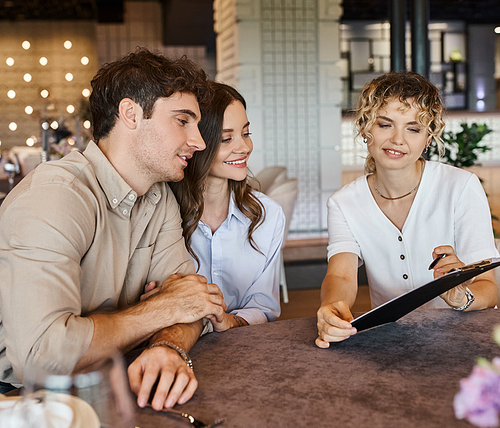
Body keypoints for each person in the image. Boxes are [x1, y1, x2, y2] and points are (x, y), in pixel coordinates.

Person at [0, 48, 227, 410]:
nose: (199, 142)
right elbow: (42, 358)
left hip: (116, 380)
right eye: (183, 121)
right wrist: (159, 312)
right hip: (25, 404)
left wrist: (167, 346)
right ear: (131, 114)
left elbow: (192, 303)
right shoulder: (56, 197)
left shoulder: (158, 196)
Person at [316, 71, 498, 348]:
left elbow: (488, 287)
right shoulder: (344, 202)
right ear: (366, 128)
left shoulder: (460, 187)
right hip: (393, 342)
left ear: (428, 138)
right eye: (385, 125)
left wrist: (463, 298)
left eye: (413, 129)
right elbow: (341, 274)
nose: (398, 139)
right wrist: (331, 308)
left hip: (465, 339)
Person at [168, 82, 285, 328]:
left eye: (245, 133)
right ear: (196, 143)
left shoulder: (268, 216)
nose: (244, 148)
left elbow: (264, 307)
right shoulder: (163, 216)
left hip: (242, 348)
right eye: (225, 139)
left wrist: (230, 321)